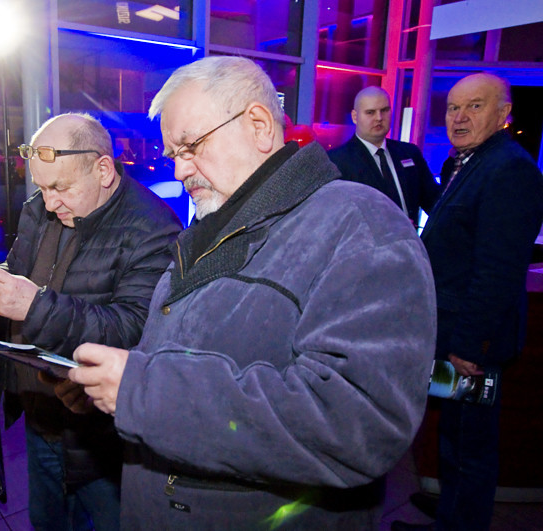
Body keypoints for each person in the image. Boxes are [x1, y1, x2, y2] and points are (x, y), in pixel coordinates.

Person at [66, 56, 437, 529]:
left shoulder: (361, 226)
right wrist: (110, 390)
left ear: (259, 125)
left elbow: (356, 424)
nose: (180, 171)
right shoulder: (209, 229)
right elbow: (191, 360)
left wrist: (142, 390)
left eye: (190, 146)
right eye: (173, 154)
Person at [0, 113, 182, 530]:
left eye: (60, 188)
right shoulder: (40, 210)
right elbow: (19, 275)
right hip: (39, 417)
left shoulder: (154, 228)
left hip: (103, 439)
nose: (49, 202)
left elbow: (135, 328)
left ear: (103, 169)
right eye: (42, 188)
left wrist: (34, 306)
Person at [393, 73, 543, 531]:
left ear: (503, 115)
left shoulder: (509, 170)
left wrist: (467, 346)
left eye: (474, 107)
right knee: (453, 433)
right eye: (453, 108)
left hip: (471, 347)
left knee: (471, 444)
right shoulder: (466, 163)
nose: (459, 117)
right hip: (454, 338)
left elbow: (496, 272)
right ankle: (451, 513)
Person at [328, 86, 440, 227]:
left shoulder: (409, 153)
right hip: (364, 246)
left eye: (385, 111)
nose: (379, 118)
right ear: (355, 117)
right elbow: (335, 219)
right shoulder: (336, 161)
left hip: (411, 245)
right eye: (370, 112)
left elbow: (434, 203)